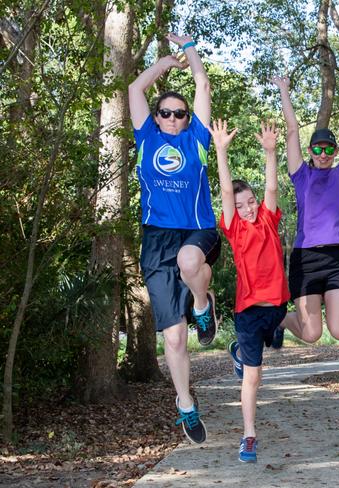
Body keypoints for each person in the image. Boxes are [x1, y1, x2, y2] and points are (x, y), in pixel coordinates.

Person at [128, 33, 220, 444]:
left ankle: (203, 304)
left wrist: (188, 48)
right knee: (174, 337)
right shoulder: (146, 138)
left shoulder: (196, 139)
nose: (171, 119)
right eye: (164, 113)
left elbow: (203, 84)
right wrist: (165, 61)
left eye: (178, 114)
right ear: (156, 116)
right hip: (156, 240)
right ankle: (185, 403)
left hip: (196, 230)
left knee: (189, 262)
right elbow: (134, 88)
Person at [209, 119, 290, 463]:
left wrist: (271, 152)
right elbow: (227, 193)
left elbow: (272, 189)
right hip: (248, 311)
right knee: (254, 378)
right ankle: (249, 436)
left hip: (277, 307)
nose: (246, 207)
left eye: (250, 201)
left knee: (301, 325)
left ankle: (241, 351)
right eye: (240, 205)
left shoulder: (268, 219)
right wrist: (221, 151)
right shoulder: (234, 229)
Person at [270, 76, 339, 347]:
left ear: (335, 151)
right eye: (318, 148)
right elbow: (292, 129)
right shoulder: (301, 175)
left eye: (329, 149)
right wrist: (284, 90)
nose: (323, 154)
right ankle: (281, 319)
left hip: (336, 257)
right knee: (311, 334)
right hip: (306, 260)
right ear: (310, 151)